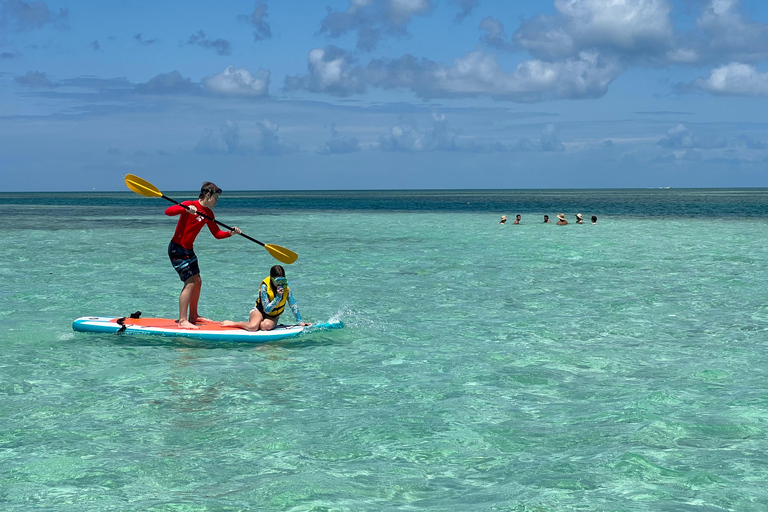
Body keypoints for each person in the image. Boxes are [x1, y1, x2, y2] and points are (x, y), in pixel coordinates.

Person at [166, 181, 241, 329]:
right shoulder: (190, 204)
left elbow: (217, 234)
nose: (217, 201)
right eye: (216, 198)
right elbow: (168, 211)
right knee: (190, 282)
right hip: (177, 249)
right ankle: (182, 320)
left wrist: (230, 233)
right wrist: (185, 209)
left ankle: (193, 316)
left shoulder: (208, 213)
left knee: (198, 280)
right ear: (208, 195)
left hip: (189, 249)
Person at [222, 265, 310, 331]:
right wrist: (278, 297)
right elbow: (267, 310)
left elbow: (292, 303)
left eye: (283, 280)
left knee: (265, 326)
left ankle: (261, 323)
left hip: (273, 315)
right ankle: (235, 323)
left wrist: (300, 322)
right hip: (260, 310)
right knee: (253, 327)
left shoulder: (286, 287)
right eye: (277, 281)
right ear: (271, 279)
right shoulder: (265, 286)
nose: (280, 283)